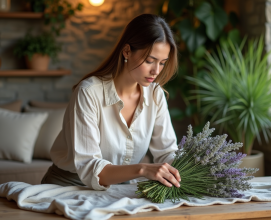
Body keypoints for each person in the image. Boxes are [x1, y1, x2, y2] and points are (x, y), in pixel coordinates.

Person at [41, 14, 181, 190]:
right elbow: (90, 167)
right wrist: (143, 169)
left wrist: (191, 170)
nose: (156, 71)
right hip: (68, 187)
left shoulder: (155, 95)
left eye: (162, 63)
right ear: (127, 51)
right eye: (149, 61)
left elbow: (167, 152)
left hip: (118, 190)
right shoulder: (89, 92)